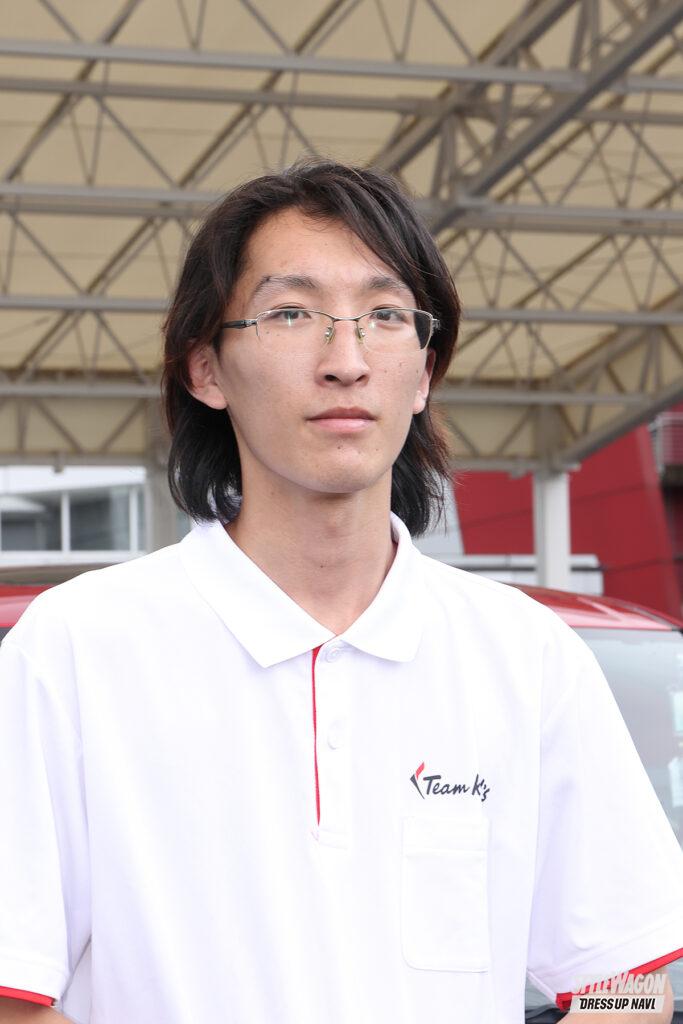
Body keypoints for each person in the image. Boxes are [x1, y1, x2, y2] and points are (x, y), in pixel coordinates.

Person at [0, 160, 681, 1024]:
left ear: (423, 372)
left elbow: (628, 979)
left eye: (385, 316)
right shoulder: (73, 649)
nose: (346, 361)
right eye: (291, 313)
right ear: (205, 369)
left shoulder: (527, 654)